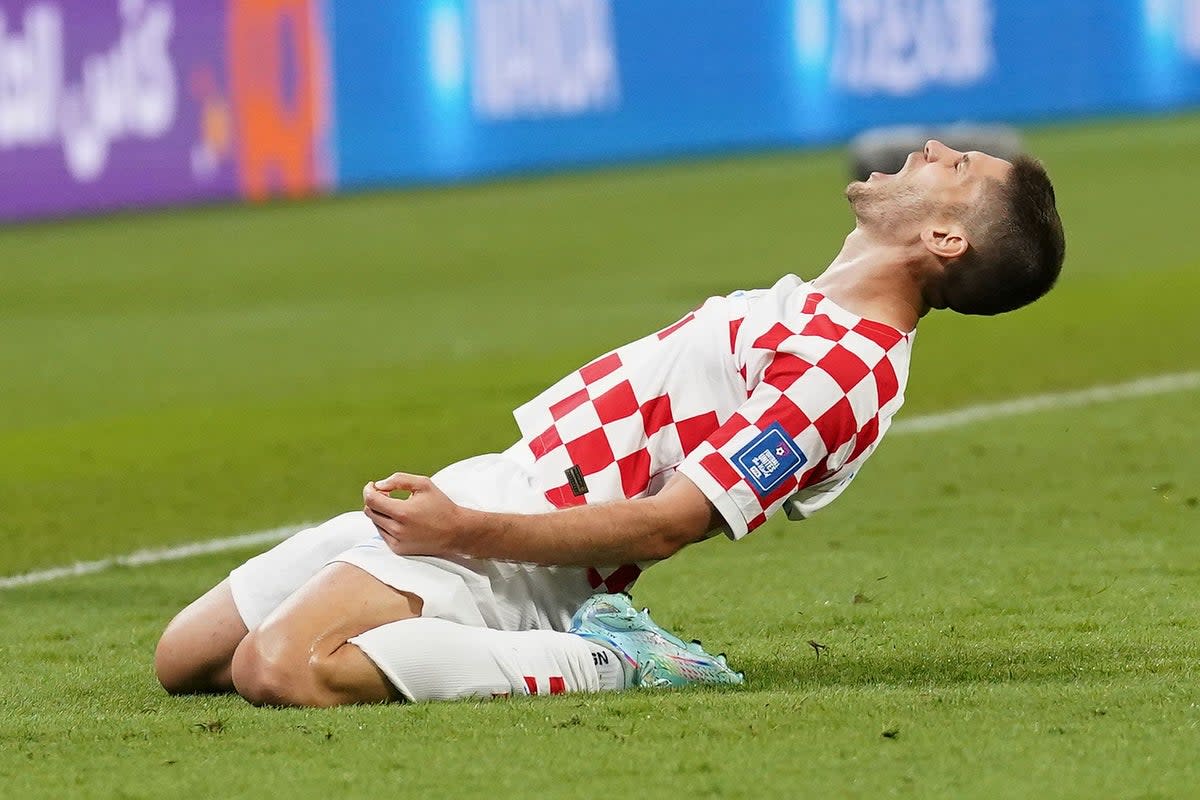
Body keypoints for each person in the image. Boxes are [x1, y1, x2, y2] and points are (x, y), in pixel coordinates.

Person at [154, 140, 1065, 707]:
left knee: (279, 669)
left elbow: (672, 521)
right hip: (498, 484)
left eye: (960, 168)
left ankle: (607, 658)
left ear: (947, 241)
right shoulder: (820, 310)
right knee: (185, 658)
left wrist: (462, 530)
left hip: (522, 551)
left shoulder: (843, 371)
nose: (939, 146)